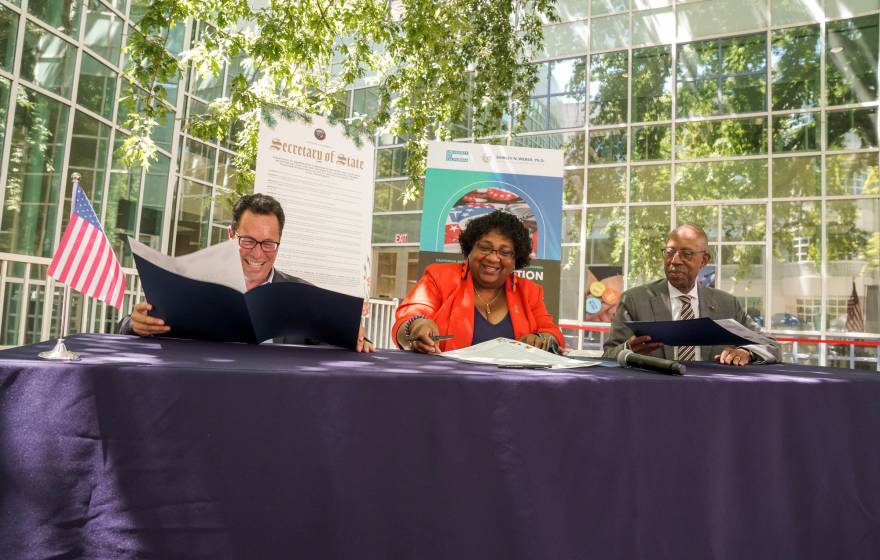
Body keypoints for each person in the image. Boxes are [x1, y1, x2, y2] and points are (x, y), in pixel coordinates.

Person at [119, 193, 373, 352]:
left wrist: (352, 334)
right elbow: (127, 328)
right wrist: (134, 325)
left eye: (268, 244)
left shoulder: (302, 295)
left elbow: (344, 342)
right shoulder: (192, 283)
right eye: (248, 241)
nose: (258, 254)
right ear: (231, 235)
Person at [603, 224, 779, 365]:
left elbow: (771, 345)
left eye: (686, 254)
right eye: (669, 252)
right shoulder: (634, 300)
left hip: (710, 392)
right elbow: (609, 355)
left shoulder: (727, 304)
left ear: (704, 260)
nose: (675, 261)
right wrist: (628, 349)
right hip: (655, 392)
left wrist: (746, 352)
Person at [393, 210, 564, 353]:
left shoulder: (529, 292)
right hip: (447, 380)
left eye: (505, 252)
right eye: (484, 248)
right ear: (470, 249)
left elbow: (553, 334)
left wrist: (541, 339)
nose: (493, 258)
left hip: (512, 382)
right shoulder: (439, 276)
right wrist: (416, 326)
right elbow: (406, 321)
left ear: (515, 260)